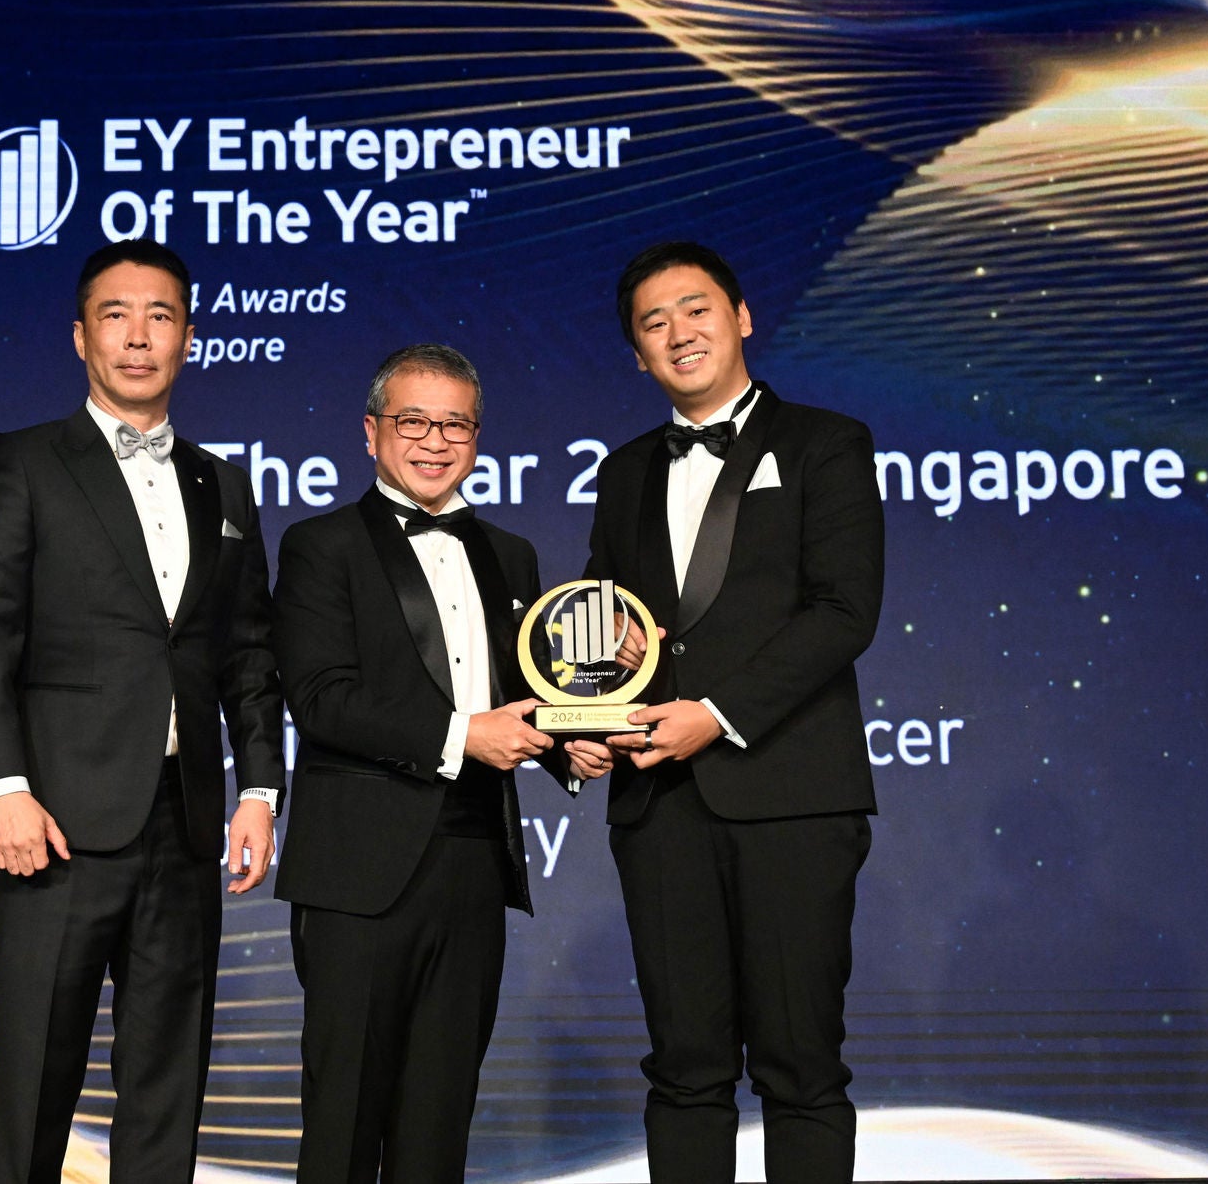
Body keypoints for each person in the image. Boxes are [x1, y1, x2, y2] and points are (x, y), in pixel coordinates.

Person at [0, 238, 287, 1184]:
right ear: (80, 335)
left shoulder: (224, 483)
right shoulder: (25, 461)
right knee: (34, 1085)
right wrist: (3, 788)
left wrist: (258, 787)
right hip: (57, 822)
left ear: (188, 337)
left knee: (167, 1084)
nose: (139, 337)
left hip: (183, 825)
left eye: (161, 316)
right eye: (116, 315)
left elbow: (247, 652)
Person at [273, 343, 614, 1183]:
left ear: (477, 435)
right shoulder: (320, 544)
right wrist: (464, 737)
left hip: (472, 866)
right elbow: (319, 698)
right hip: (357, 874)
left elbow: (530, 694)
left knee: (438, 1124)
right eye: (413, 420)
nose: (433, 440)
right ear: (370, 432)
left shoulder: (512, 553)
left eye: (454, 423)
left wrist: (574, 746)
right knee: (345, 1121)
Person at [591, 240, 884, 1182]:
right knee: (684, 1068)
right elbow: (610, 624)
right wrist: (602, 700)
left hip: (791, 797)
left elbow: (844, 612)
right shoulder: (624, 469)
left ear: (742, 316)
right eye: (653, 322)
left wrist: (712, 712)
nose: (678, 332)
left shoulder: (825, 443)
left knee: (800, 1067)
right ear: (637, 353)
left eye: (696, 308)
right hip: (660, 807)